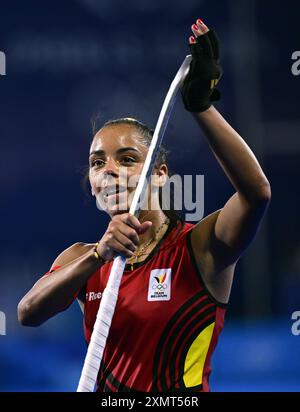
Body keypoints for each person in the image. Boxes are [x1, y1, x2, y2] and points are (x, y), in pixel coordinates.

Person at [17, 19, 271, 392]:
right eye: (98, 163)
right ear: (91, 185)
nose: (111, 171)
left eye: (128, 158)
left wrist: (200, 107)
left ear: (160, 174)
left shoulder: (199, 247)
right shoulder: (83, 259)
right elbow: (28, 314)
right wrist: (99, 255)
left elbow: (256, 193)